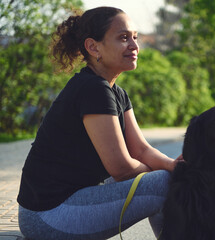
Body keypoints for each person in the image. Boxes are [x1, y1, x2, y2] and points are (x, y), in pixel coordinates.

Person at [17, 7, 181, 240]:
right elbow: (122, 168)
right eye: (123, 38)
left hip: (64, 207)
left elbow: (141, 150)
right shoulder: (92, 89)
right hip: (47, 217)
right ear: (94, 47)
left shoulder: (116, 92)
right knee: (165, 184)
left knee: (169, 177)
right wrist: (166, 175)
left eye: (135, 37)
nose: (134, 46)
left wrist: (174, 166)